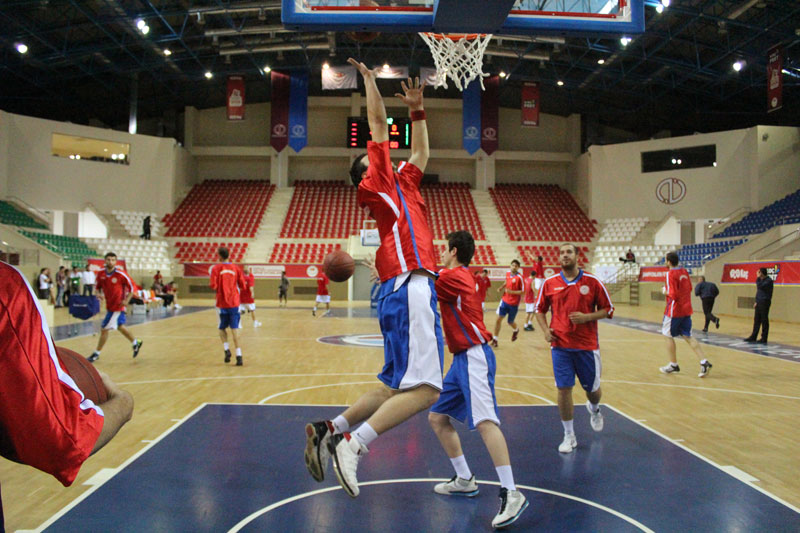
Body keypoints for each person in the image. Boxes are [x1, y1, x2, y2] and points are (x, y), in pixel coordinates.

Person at [304, 60, 443, 499]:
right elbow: (379, 122)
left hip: (399, 289)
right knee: (427, 390)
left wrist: (418, 111)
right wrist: (369, 81)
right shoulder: (377, 180)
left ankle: (330, 429)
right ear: (366, 170)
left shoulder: (403, 182)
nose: (385, 154)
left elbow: (421, 154)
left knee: (391, 387)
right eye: (375, 155)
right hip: (411, 283)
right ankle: (354, 444)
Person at [0, 261, 134, 531]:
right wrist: (124, 403)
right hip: (110, 310)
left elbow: (128, 289)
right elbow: (64, 440)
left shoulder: (119, 276)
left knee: (109, 328)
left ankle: (124, 344)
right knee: (107, 329)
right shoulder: (6, 286)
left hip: (117, 308)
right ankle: (117, 347)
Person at [428, 231, 529, 529]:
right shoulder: (457, 276)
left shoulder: (454, 275)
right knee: (437, 417)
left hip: (474, 356)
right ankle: (464, 479)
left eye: (445, 250)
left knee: (486, 422)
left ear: (453, 251)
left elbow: (421, 277)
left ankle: (512, 492)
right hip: (461, 358)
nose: (442, 254)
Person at [534, 243, 614, 454]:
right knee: (563, 388)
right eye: (561, 253)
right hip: (560, 346)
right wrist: (545, 331)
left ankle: (594, 408)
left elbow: (608, 309)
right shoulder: (550, 283)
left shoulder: (592, 281)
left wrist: (587, 317)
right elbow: (539, 310)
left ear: (578, 256)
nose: (564, 255)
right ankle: (569, 435)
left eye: (569, 252)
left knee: (592, 391)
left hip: (587, 346)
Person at [658, 252, 713, 377]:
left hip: (674, 310)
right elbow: (689, 288)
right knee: (688, 335)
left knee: (667, 335)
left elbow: (673, 294)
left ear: (669, 262)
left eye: (666, 260)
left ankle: (673, 364)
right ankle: (704, 361)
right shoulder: (684, 271)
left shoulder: (670, 274)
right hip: (686, 308)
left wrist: (664, 291)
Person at [88, 253, 143, 363]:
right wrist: (98, 294)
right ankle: (135, 342)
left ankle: (96, 353)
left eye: (113, 260)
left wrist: (126, 300)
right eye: (108, 259)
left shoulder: (121, 274)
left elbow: (132, 288)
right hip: (109, 305)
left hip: (117, 306)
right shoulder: (101, 274)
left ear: (116, 262)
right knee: (120, 327)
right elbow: (97, 287)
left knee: (104, 329)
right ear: (105, 261)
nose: (110, 262)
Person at [210, 247, 246, 366]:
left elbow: (213, 285)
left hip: (221, 303)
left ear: (220, 256)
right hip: (234, 302)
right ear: (229, 255)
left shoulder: (216, 268)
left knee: (221, 328)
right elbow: (243, 285)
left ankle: (226, 350)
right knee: (234, 329)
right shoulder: (236, 268)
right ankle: (239, 355)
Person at [493, 260, 524, 346]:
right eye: (512, 265)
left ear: (518, 267)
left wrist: (511, 292)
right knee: (498, 320)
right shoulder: (507, 273)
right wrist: (501, 287)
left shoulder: (520, 278)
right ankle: (495, 339)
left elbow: (523, 292)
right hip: (504, 301)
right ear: (510, 266)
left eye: (516, 266)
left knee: (510, 322)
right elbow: (506, 281)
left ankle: (516, 330)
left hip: (514, 304)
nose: (514, 267)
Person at [744, 267, 773, 344]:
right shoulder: (761, 280)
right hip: (759, 302)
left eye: (759, 272)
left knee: (764, 320)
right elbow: (759, 291)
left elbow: (760, 286)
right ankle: (753, 336)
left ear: (762, 273)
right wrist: (756, 301)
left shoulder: (768, 281)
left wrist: (757, 278)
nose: (758, 274)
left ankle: (764, 338)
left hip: (765, 302)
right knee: (756, 320)